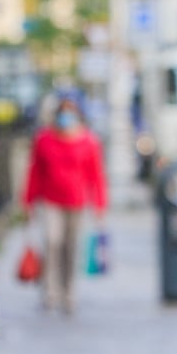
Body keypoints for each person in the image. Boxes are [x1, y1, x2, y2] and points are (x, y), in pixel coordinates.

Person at [22, 95, 108, 315]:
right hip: (50, 201)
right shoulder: (44, 139)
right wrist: (28, 200)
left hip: (77, 202)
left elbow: (96, 175)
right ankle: (50, 292)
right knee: (52, 242)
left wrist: (99, 204)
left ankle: (68, 293)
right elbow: (35, 171)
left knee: (71, 248)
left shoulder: (89, 141)